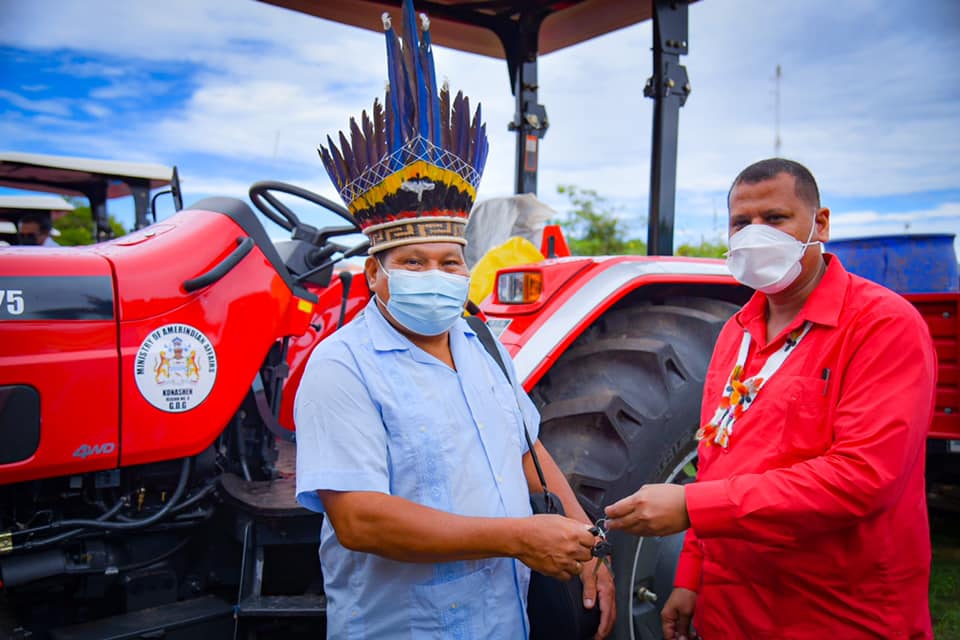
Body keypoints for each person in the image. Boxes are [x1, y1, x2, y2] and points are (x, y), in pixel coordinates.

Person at [293, 1, 615, 638]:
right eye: (413, 261)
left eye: (449, 260)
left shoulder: (481, 345)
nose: (435, 274)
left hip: (504, 620)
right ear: (376, 275)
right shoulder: (341, 367)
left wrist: (592, 548)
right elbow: (360, 519)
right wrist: (519, 538)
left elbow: (529, 454)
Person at [603, 158, 937, 639]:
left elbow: (864, 478)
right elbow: (716, 461)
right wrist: (693, 577)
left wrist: (695, 507)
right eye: (742, 223)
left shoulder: (882, 325)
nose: (755, 235)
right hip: (734, 610)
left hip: (838, 613)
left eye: (775, 219)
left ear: (819, 223)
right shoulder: (736, 333)